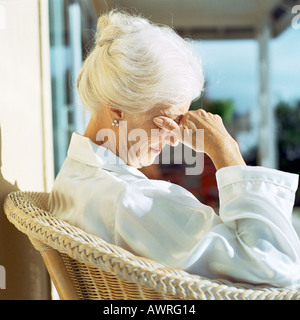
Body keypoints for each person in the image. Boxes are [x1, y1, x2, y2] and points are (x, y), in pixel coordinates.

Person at [49, 10, 300, 287]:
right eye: (166, 120)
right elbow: (277, 266)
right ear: (117, 108)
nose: (174, 139)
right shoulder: (129, 199)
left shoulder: (76, 175)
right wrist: (227, 151)